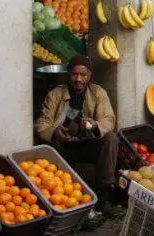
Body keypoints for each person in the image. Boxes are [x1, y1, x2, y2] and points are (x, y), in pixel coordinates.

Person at [36, 55, 118, 216]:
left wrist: (95, 125)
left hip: (88, 145)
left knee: (111, 138)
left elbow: (108, 120)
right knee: (50, 143)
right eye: (74, 74)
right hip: (63, 147)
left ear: (90, 76)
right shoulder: (55, 95)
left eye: (83, 75)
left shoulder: (98, 93)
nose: (78, 79)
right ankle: (60, 199)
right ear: (68, 74)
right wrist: (54, 131)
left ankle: (104, 195)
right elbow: (41, 124)